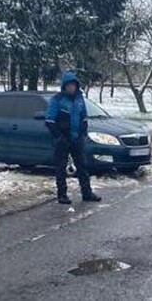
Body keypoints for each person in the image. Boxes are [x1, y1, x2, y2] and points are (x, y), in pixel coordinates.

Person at [46, 71, 101, 205]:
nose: (71, 88)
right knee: (61, 167)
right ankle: (62, 194)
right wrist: (59, 137)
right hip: (62, 139)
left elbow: (84, 117)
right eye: (69, 85)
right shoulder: (57, 100)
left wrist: (83, 132)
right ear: (64, 86)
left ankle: (87, 192)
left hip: (77, 139)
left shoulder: (79, 99)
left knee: (82, 166)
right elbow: (50, 120)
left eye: (73, 85)